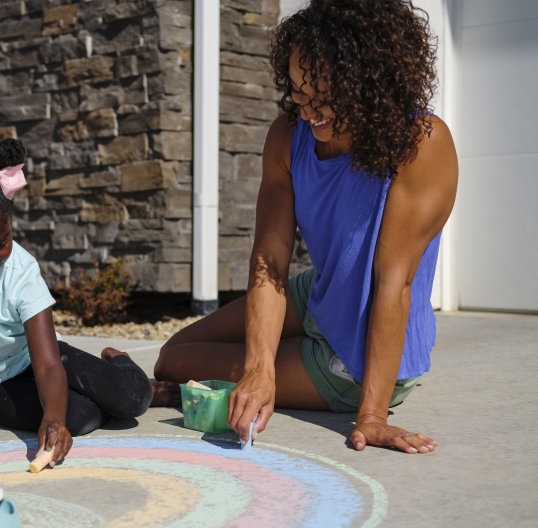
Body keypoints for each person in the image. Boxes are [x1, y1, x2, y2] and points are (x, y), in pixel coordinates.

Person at [154, 0, 458, 454]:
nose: (309, 110)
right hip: (320, 291)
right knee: (171, 354)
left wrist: (372, 416)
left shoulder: (421, 145)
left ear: (371, 83)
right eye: (298, 92)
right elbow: (270, 258)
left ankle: (199, 387)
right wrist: (259, 367)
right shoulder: (287, 137)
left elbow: (394, 283)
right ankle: (207, 382)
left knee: (179, 366)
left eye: (324, 95)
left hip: (356, 354)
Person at [0, 138, 168, 466]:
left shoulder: (23, 271)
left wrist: (52, 418)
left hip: (31, 358)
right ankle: (97, 391)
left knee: (134, 398)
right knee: (82, 417)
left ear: (11, 222)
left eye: (0, 243)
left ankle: (117, 360)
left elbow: (46, 362)